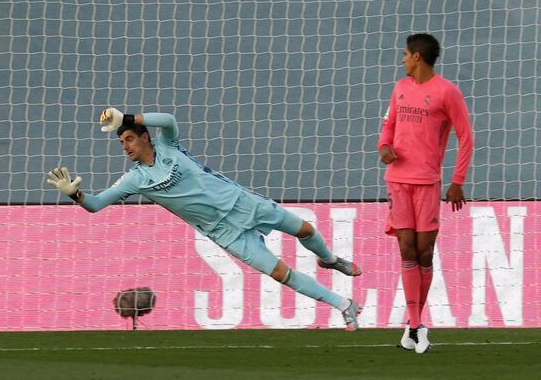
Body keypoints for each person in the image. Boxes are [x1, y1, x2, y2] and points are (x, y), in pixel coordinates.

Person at [47, 108, 363, 330]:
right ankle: (342, 305)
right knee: (281, 273)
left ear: (145, 137)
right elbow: (97, 204)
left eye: (128, 138)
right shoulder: (134, 180)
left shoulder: (169, 146)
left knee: (305, 229)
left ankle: (329, 259)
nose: (125, 146)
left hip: (240, 203)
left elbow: (168, 121)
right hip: (222, 231)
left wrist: (126, 117)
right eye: (121, 142)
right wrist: (74, 194)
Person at [378, 33, 473, 354]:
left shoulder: (447, 92)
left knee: (424, 252)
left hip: (428, 182)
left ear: (417, 57)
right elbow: (388, 126)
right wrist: (384, 146)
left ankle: (415, 324)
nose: (402, 59)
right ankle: (416, 325)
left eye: (405, 54)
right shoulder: (400, 88)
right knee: (406, 249)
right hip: (398, 180)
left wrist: (457, 180)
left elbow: (466, 136)